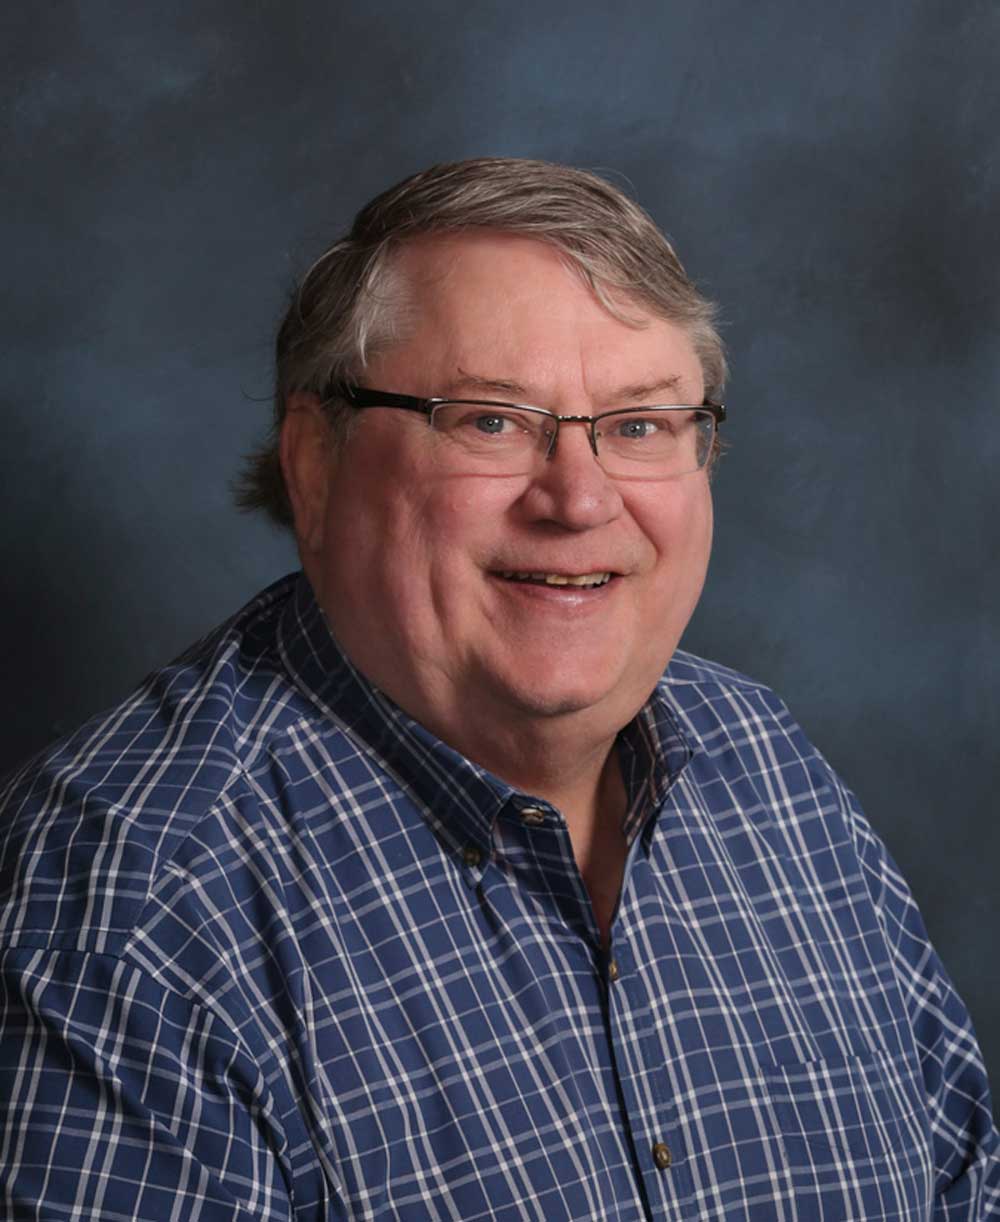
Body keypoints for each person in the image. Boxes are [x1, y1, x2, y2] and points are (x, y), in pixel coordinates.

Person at [0, 158, 995, 1221]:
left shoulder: (765, 766)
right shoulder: (134, 906)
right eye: (490, 421)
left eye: (639, 425)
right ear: (315, 464)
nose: (579, 499)